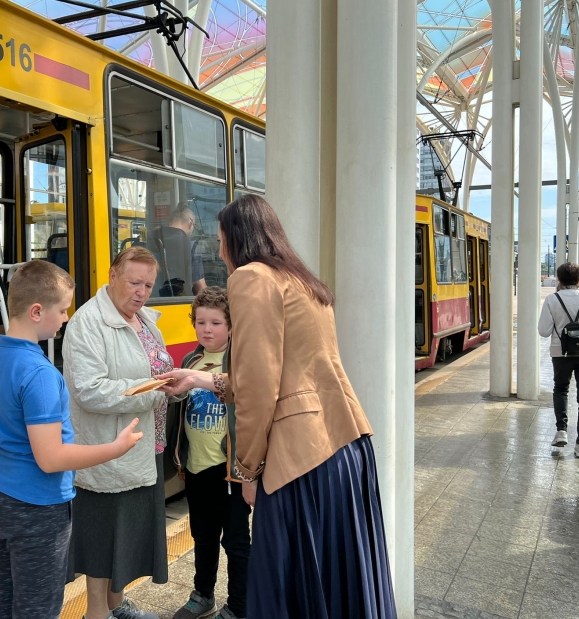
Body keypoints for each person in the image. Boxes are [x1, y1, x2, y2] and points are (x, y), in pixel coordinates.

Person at [159, 194, 395, 618]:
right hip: (342, 444)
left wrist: (246, 471)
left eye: (220, 241)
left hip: (298, 459)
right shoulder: (302, 280)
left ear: (237, 239)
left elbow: (259, 386)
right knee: (336, 580)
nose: (219, 252)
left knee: (290, 586)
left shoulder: (251, 278)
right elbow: (287, 374)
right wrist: (199, 378)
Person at [0, 259, 144, 619]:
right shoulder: (39, 373)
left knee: (1, 598)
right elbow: (50, 458)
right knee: (37, 607)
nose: (66, 318)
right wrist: (115, 448)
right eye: (62, 309)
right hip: (36, 505)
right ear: (37, 311)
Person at [62, 246, 175, 619]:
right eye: (134, 282)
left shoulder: (144, 318)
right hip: (109, 450)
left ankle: (117, 605)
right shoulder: (87, 322)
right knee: (102, 538)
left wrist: (175, 384)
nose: (141, 292)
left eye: (148, 285)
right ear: (112, 275)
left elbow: (156, 370)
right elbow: (89, 390)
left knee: (124, 537)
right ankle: (97, 613)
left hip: (143, 445)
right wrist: (156, 392)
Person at [168, 287, 250, 619]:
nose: (207, 329)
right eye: (200, 322)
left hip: (229, 469)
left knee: (236, 541)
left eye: (216, 323)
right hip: (197, 466)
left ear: (231, 326)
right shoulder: (191, 360)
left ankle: (240, 606)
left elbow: (245, 395)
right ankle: (203, 595)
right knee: (202, 535)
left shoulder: (239, 361)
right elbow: (181, 409)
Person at [537, 261, 579, 459]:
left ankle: (561, 430)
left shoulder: (552, 299)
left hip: (561, 353)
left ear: (559, 279)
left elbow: (544, 331)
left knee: (561, 389)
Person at [150, 204, 206, 297]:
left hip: (148, 300)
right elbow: (199, 286)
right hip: (179, 300)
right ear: (191, 224)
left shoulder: (149, 238)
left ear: (169, 222)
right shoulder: (190, 246)